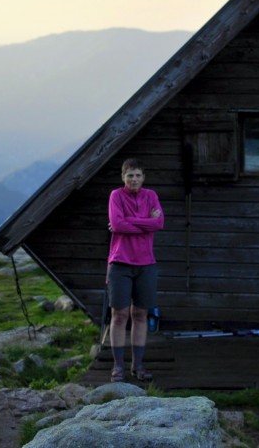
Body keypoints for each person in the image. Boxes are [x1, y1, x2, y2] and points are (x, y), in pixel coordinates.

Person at [106, 157, 164, 383]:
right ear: (123, 177)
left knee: (140, 314)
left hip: (146, 264)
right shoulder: (116, 196)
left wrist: (129, 221)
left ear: (143, 177)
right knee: (119, 315)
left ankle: (138, 365)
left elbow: (159, 224)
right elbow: (116, 225)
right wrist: (144, 221)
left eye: (138, 175)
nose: (134, 179)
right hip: (120, 263)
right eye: (130, 175)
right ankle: (118, 367)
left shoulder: (151, 196)